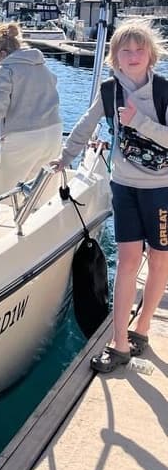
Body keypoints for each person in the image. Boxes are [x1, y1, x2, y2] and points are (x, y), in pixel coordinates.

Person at [53, 19, 168, 373]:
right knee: (129, 259)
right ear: (114, 57)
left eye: (139, 49)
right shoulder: (109, 91)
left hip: (161, 189)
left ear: (151, 54)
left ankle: (143, 326)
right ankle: (119, 342)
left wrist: (138, 121)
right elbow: (86, 125)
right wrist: (64, 158)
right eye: (125, 50)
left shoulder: (164, 90)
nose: (132, 56)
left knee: (160, 259)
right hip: (124, 185)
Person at [0, 21, 62, 190]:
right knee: (41, 190)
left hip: (24, 137)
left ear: (1, 53)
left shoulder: (6, 70)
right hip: (53, 132)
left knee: (5, 191)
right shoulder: (42, 67)